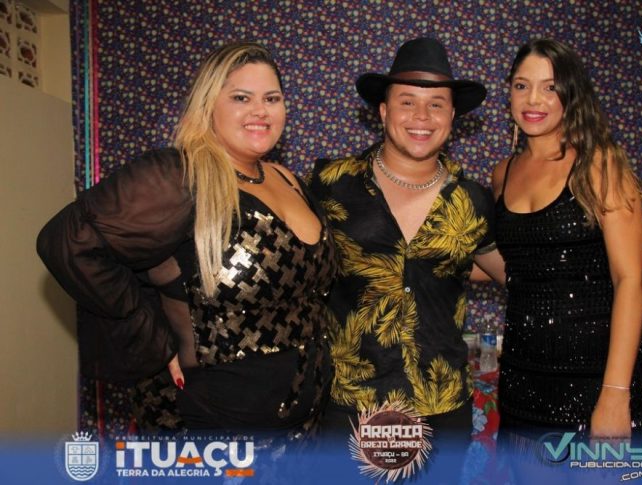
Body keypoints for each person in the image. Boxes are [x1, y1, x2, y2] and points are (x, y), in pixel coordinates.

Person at [37, 42, 336, 438]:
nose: (260, 111)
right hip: (214, 422)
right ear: (208, 105)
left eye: (272, 98)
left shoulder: (287, 178)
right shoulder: (181, 176)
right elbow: (66, 243)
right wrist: (152, 340)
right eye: (241, 98)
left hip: (306, 420)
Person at [309, 37, 506, 452]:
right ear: (383, 111)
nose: (422, 116)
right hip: (349, 406)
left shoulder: (473, 200)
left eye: (436, 104)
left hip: (441, 408)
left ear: (452, 116)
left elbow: (510, 273)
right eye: (407, 102)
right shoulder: (329, 184)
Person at [491, 38, 642, 453]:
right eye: (522, 85)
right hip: (523, 377)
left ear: (571, 94)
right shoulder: (502, 173)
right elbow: (519, 269)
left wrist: (615, 395)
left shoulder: (599, 164)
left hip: (596, 379)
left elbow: (630, 280)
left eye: (550, 87)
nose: (533, 99)